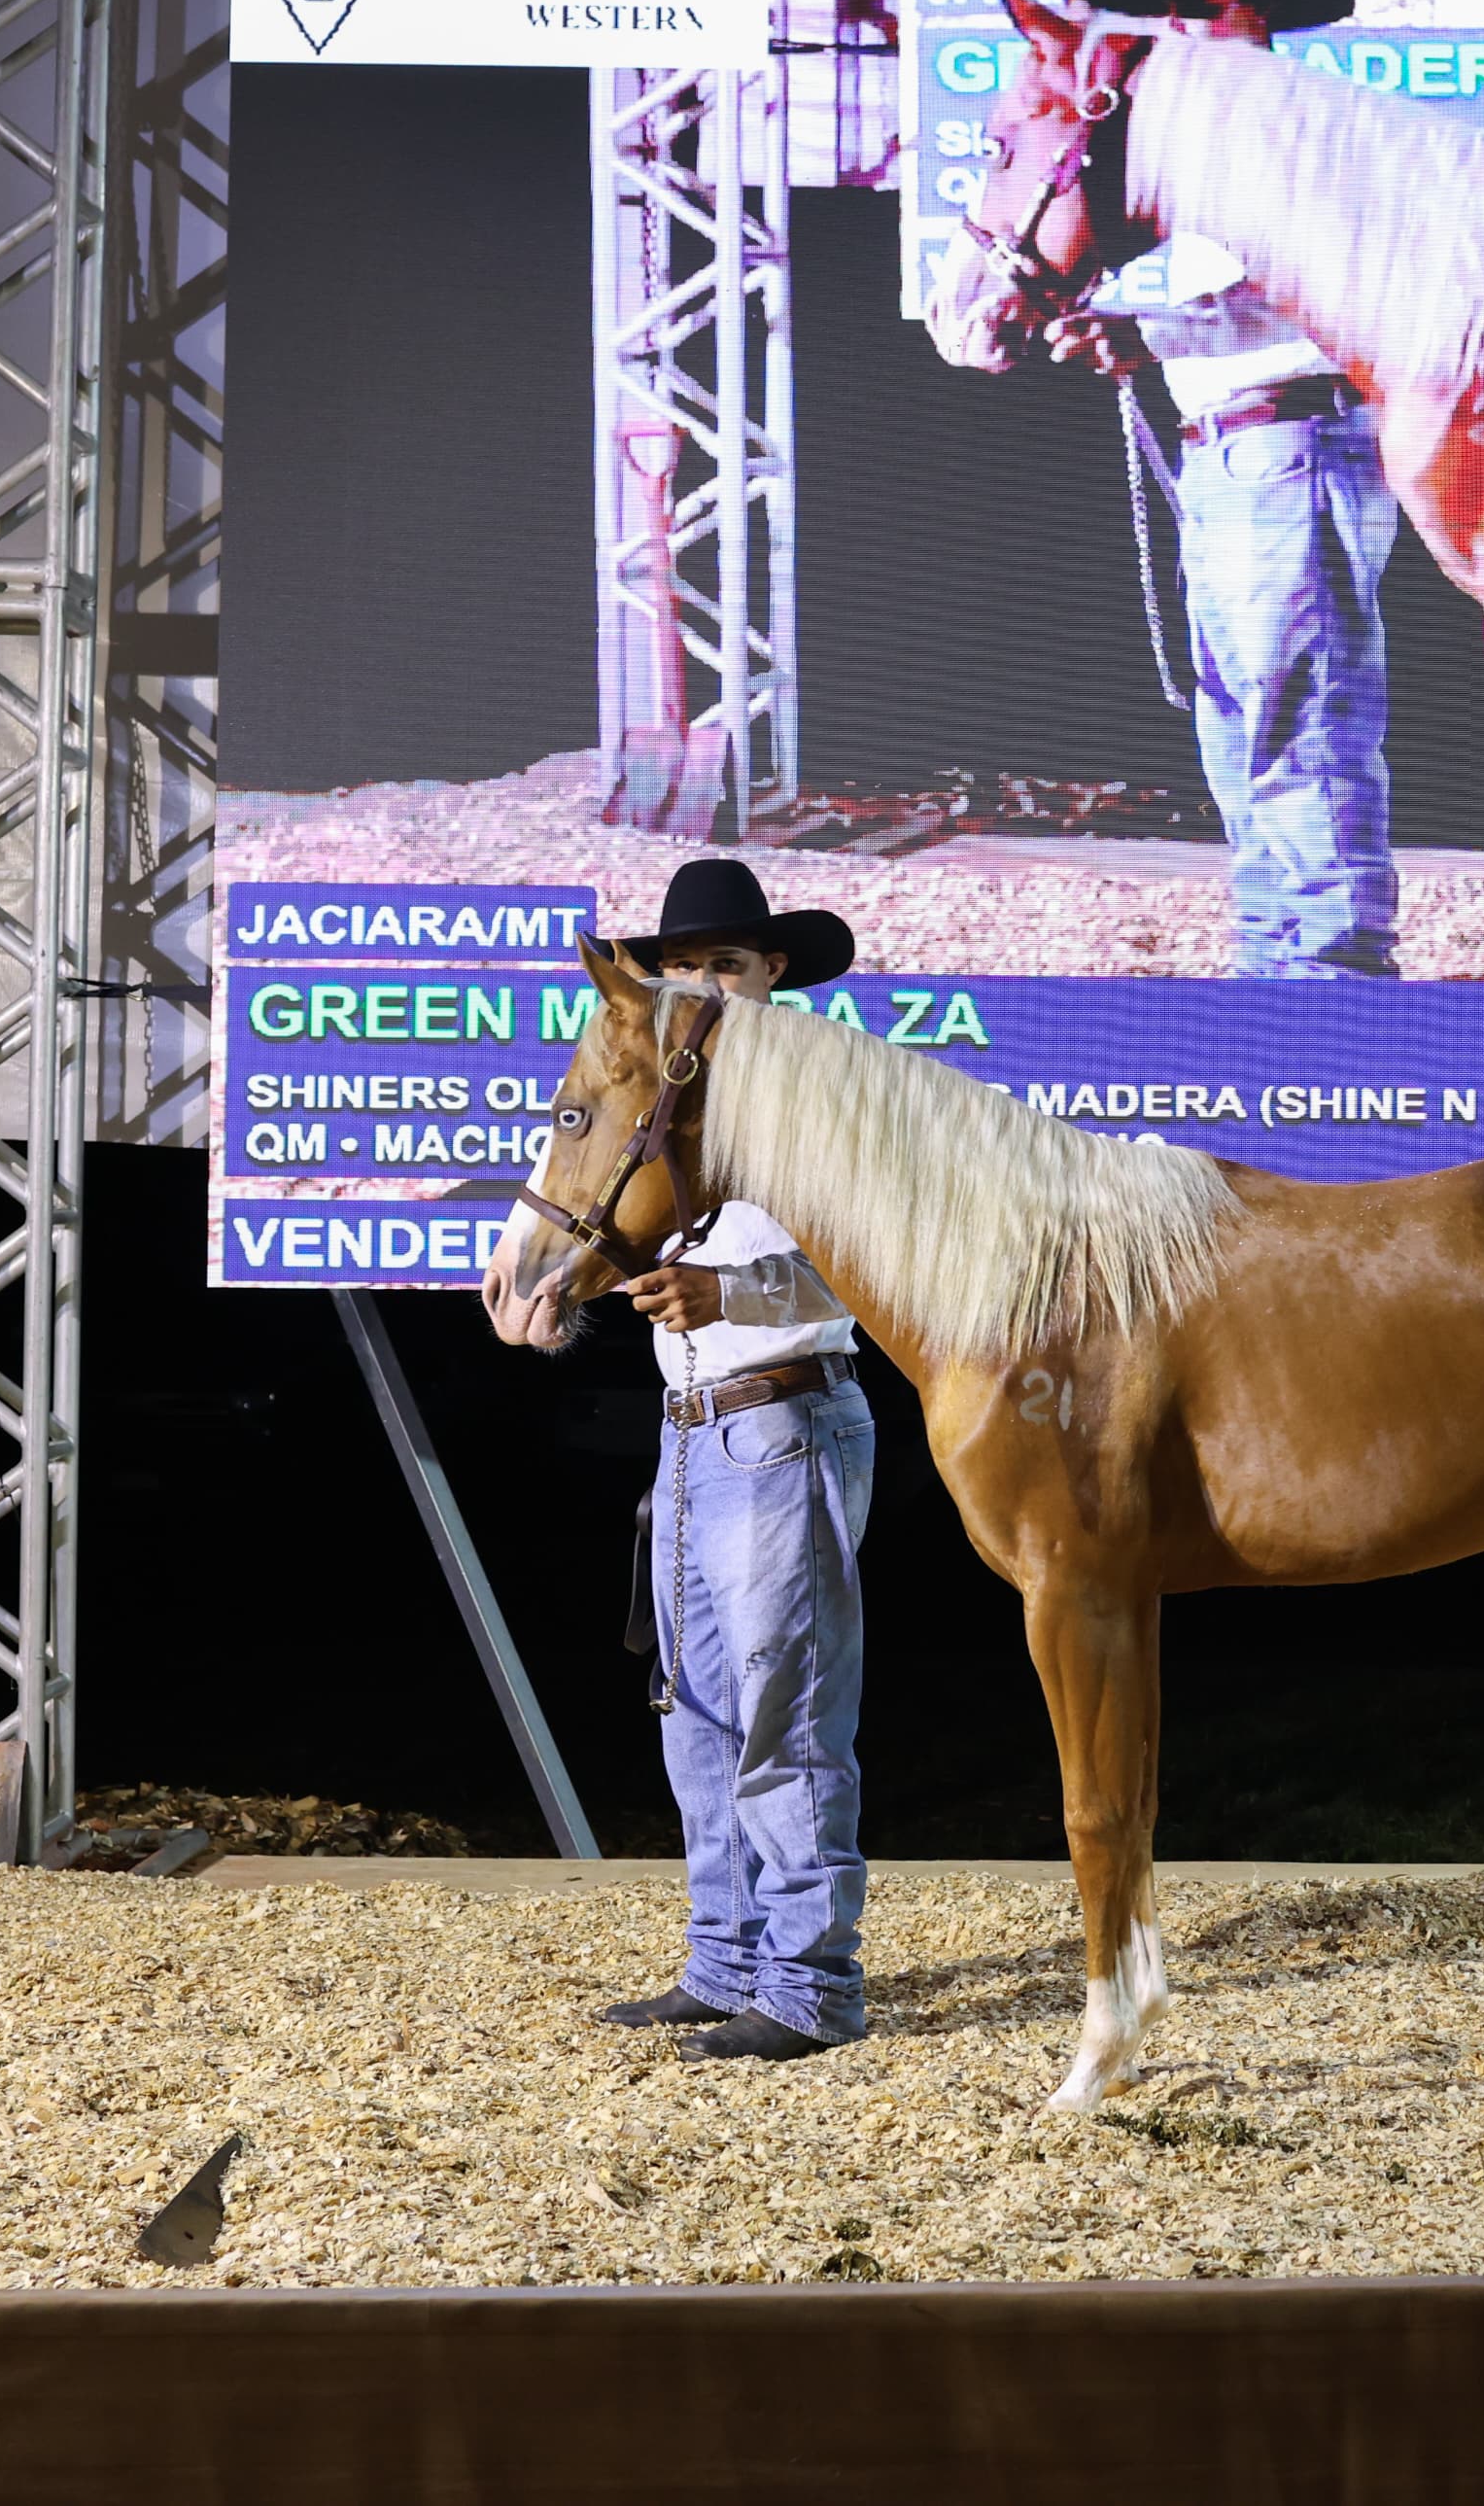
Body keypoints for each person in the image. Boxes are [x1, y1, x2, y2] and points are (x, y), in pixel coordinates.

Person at [1044, 0, 1401, 980]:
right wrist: (1140, 338)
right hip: (1231, 446)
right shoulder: (1200, 142)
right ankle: (1272, 955)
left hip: (1291, 433)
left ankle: (1336, 969)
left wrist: (1145, 330)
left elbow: (1315, 297)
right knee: (1237, 713)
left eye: (1201, 6)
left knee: (1298, 709)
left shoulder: (1304, 130)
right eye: (1169, 9)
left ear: (1249, 14)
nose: (1183, 26)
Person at [589, 857, 880, 2064]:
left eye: (726, 962)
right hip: (696, 1431)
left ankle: (812, 1986)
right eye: (681, 964)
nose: (701, 982)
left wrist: (727, 1288)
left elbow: (878, 1272)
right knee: (694, 1710)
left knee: (784, 1707)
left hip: (784, 1415)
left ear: (771, 973)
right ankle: (727, 1957)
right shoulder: (673, 1100)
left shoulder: (829, 1096)